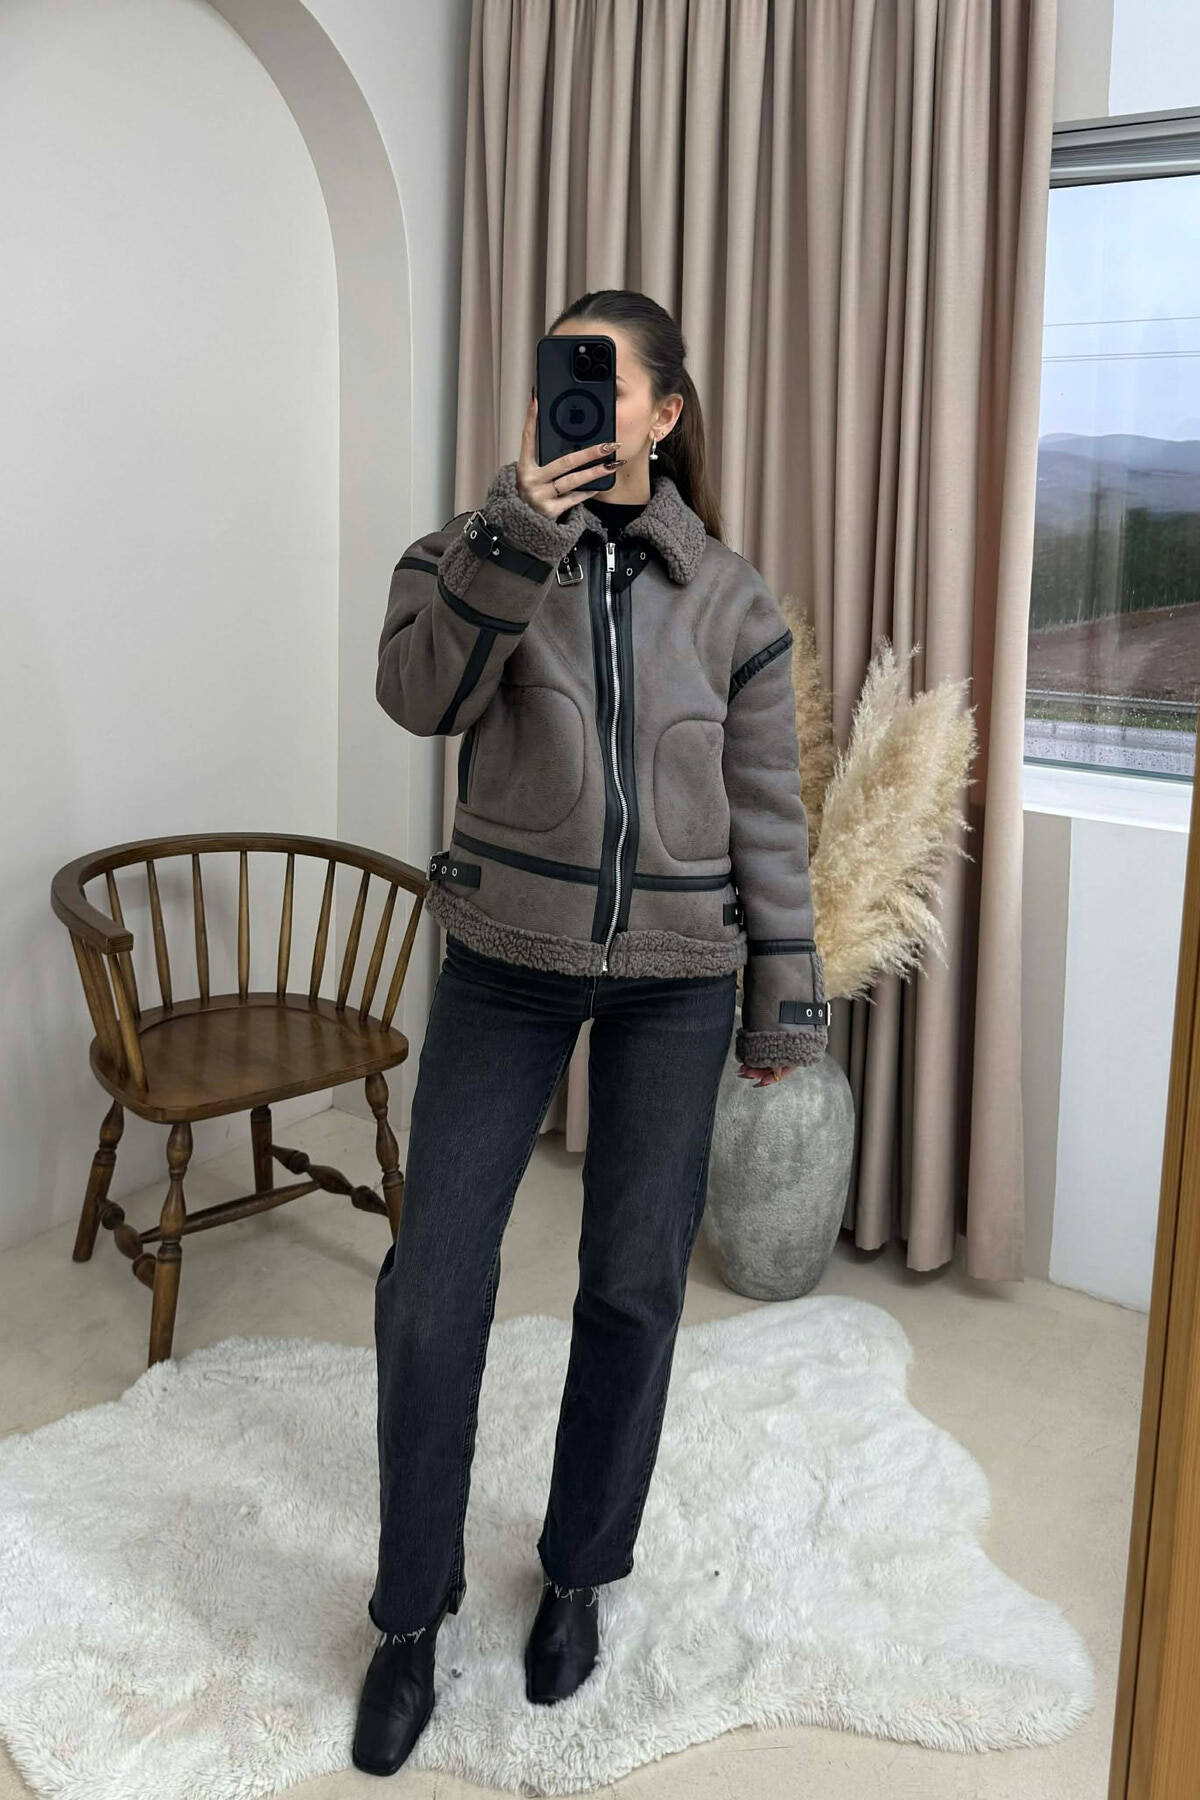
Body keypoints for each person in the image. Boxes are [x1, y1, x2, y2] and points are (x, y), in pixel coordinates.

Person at [352, 290, 829, 1777]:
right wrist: (517, 536)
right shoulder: (467, 554)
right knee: (433, 1288)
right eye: (557, 376)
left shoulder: (731, 600)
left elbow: (769, 816)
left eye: (603, 380)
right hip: (503, 964)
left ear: (664, 417)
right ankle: (410, 1612)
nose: (571, 399)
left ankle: (576, 1574)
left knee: (632, 1286)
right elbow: (417, 697)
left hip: (677, 981)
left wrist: (783, 997)